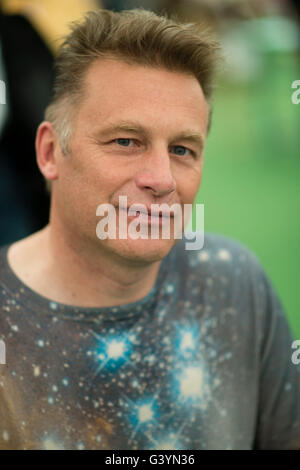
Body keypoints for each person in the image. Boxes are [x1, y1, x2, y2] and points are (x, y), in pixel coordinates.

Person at [0, 8, 299, 451]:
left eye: (182, 149)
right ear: (49, 152)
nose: (161, 179)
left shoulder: (235, 283)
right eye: (125, 141)